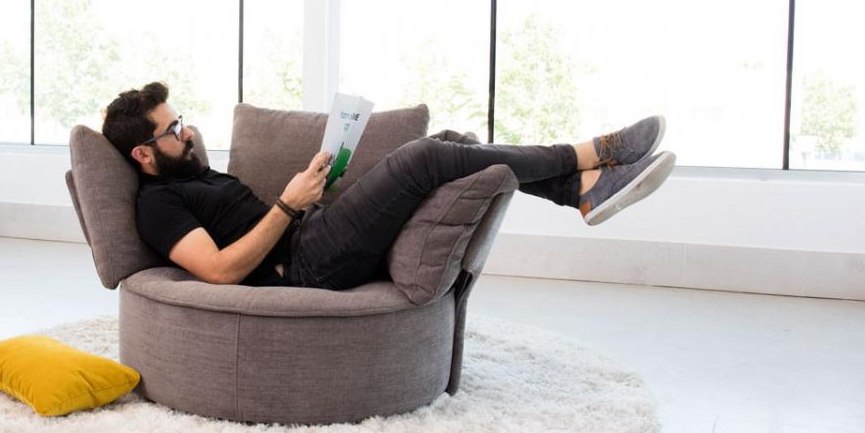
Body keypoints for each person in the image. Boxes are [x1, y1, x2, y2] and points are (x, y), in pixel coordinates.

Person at [102, 81, 676, 291]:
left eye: (180, 121)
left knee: (451, 140)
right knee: (425, 156)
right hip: (306, 267)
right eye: (172, 130)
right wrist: (287, 204)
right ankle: (594, 154)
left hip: (314, 233)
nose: (187, 131)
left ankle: (576, 191)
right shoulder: (157, 205)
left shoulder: (189, 170)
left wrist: (314, 190)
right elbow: (220, 271)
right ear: (142, 154)